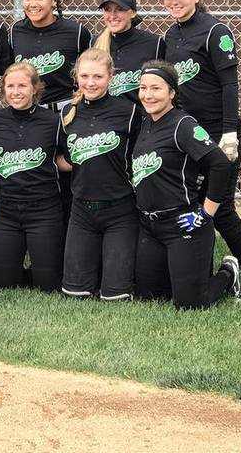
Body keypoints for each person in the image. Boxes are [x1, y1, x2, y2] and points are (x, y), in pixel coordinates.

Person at [160, 0, 241, 302]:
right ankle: (201, 270)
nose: (175, 1)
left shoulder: (215, 31)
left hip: (219, 131)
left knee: (222, 208)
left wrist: (229, 133)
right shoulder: (171, 36)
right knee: (192, 202)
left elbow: (230, 85)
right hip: (188, 133)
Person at [133, 61, 241, 310]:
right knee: (149, 296)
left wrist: (205, 213)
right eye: (143, 88)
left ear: (172, 92)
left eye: (156, 88)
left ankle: (228, 274)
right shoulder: (144, 121)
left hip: (182, 224)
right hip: (149, 226)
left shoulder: (183, 124)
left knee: (190, 303)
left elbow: (220, 164)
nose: (148, 95)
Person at [58, 48, 141, 300]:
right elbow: (63, 158)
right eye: (84, 76)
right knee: (75, 293)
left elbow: (141, 154)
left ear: (111, 76)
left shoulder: (129, 112)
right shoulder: (66, 113)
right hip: (81, 210)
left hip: (120, 209)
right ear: (76, 77)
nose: (90, 83)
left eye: (98, 76)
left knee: (115, 295)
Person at [9, 0, 91, 223]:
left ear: (54, 1)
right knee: (39, 172)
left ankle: (72, 236)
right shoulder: (16, 31)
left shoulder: (76, 33)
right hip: (32, 113)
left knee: (68, 173)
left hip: (66, 111)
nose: (33, 4)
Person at [0, 62, 64, 291]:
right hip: (7, 211)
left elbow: (64, 158)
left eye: (22, 85)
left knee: (48, 285)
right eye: (10, 86)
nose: (16, 91)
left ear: (34, 88)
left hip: (44, 210)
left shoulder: (53, 121)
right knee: (3, 283)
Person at [93, 0, 164, 105]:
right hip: (104, 118)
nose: (112, 15)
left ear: (133, 13)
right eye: (107, 9)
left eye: (119, 9)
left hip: (140, 118)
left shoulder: (154, 43)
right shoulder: (95, 43)